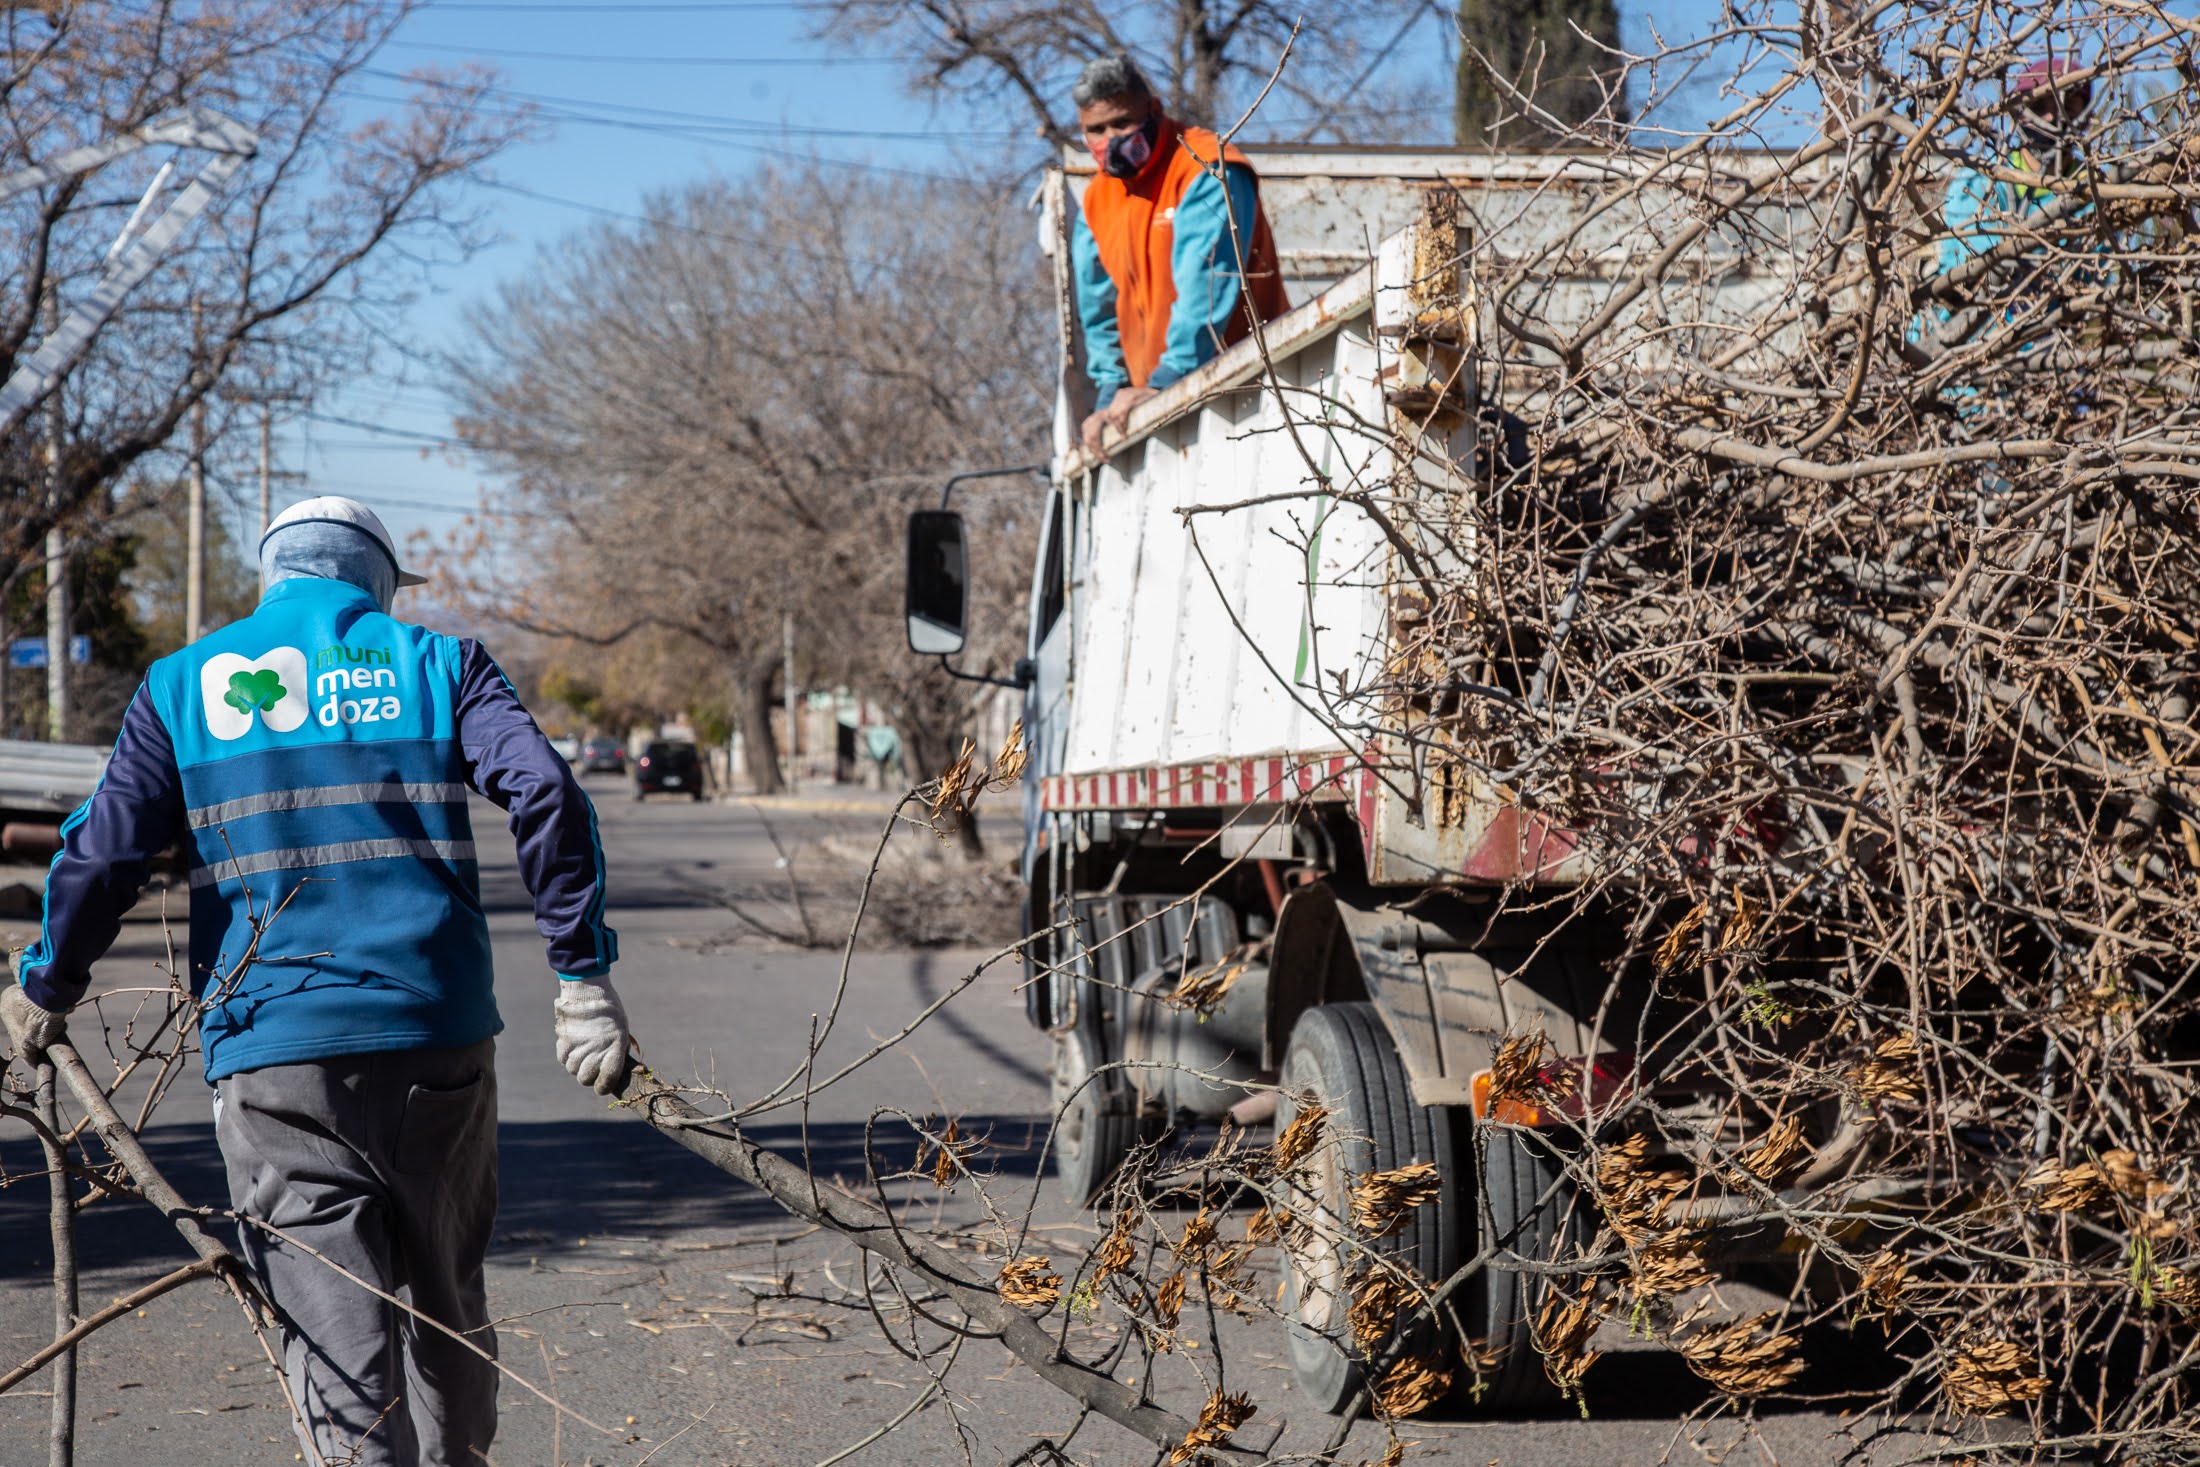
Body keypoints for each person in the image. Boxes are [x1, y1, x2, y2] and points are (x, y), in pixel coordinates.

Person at [1, 496, 629, 1467]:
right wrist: (580, 976)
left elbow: (106, 849)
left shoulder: (182, 684)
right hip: (438, 1034)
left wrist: (47, 986)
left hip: (273, 1053)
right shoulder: (440, 665)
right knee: (449, 1306)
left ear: (276, 575)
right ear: (374, 578)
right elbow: (548, 791)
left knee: (336, 1350)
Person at [1070, 53, 1291, 455]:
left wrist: (1162, 384)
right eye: (1095, 130)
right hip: (1156, 405)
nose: (1109, 141)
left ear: (1153, 110)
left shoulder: (1205, 166)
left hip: (1251, 396)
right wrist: (1112, 394)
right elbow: (1099, 312)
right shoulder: (1095, 201)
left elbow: (1206, 292)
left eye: (1121, 123)